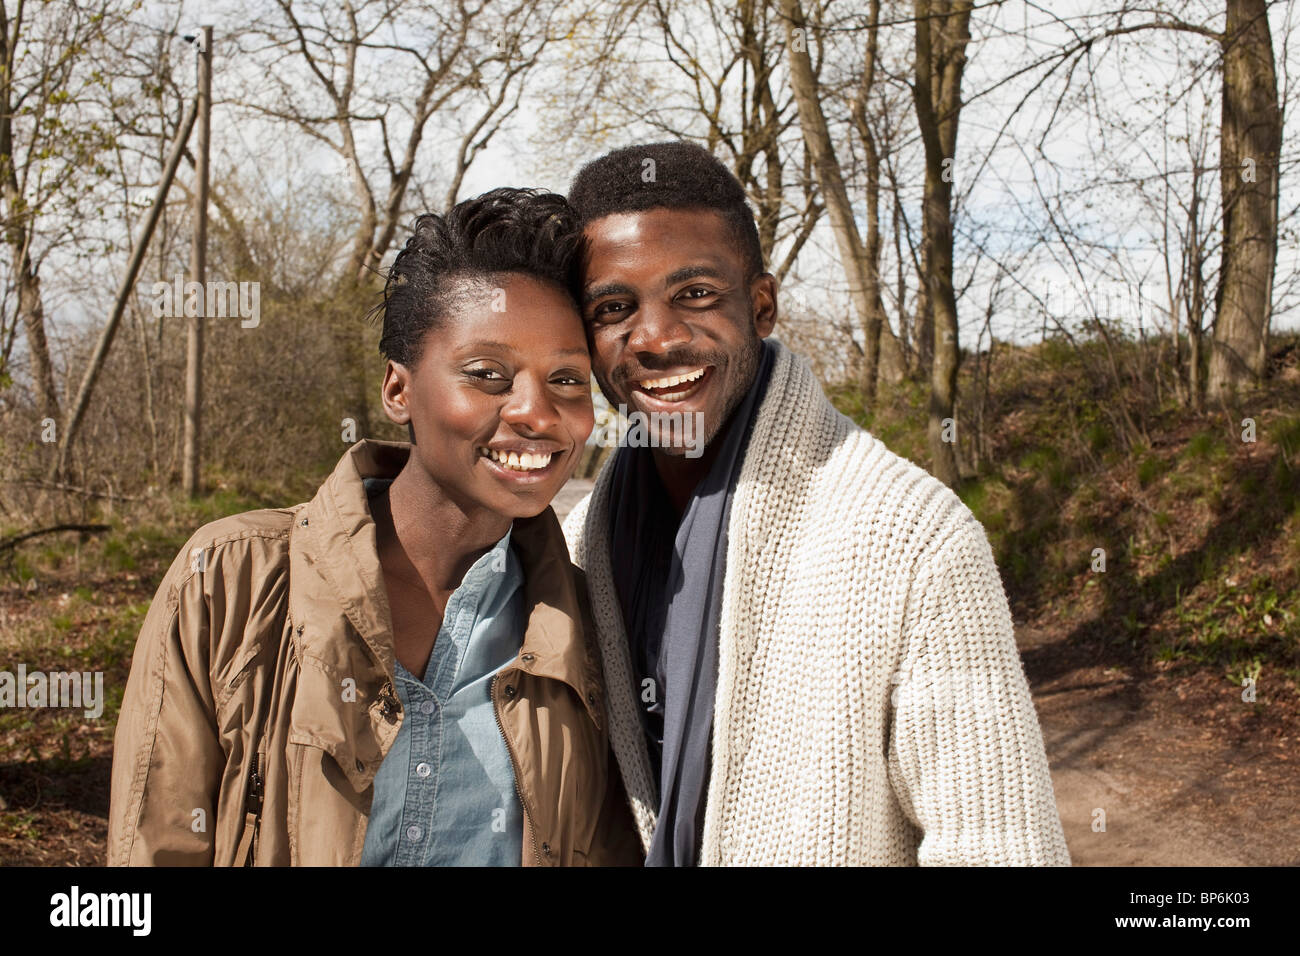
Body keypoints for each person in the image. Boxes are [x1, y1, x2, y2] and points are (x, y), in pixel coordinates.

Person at [561, 141, 1071, 866]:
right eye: (614, 307)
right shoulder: (581, 545)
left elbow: (999, 846)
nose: (657, 338)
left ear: (761, 306)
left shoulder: (912, 537)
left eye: (696, 294)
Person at [108, 187, 641, 866]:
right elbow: (154, 851)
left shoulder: (588, 627)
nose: (538, 413)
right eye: (488, 374)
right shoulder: (231, 580)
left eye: (567, 380)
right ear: (398, 390)